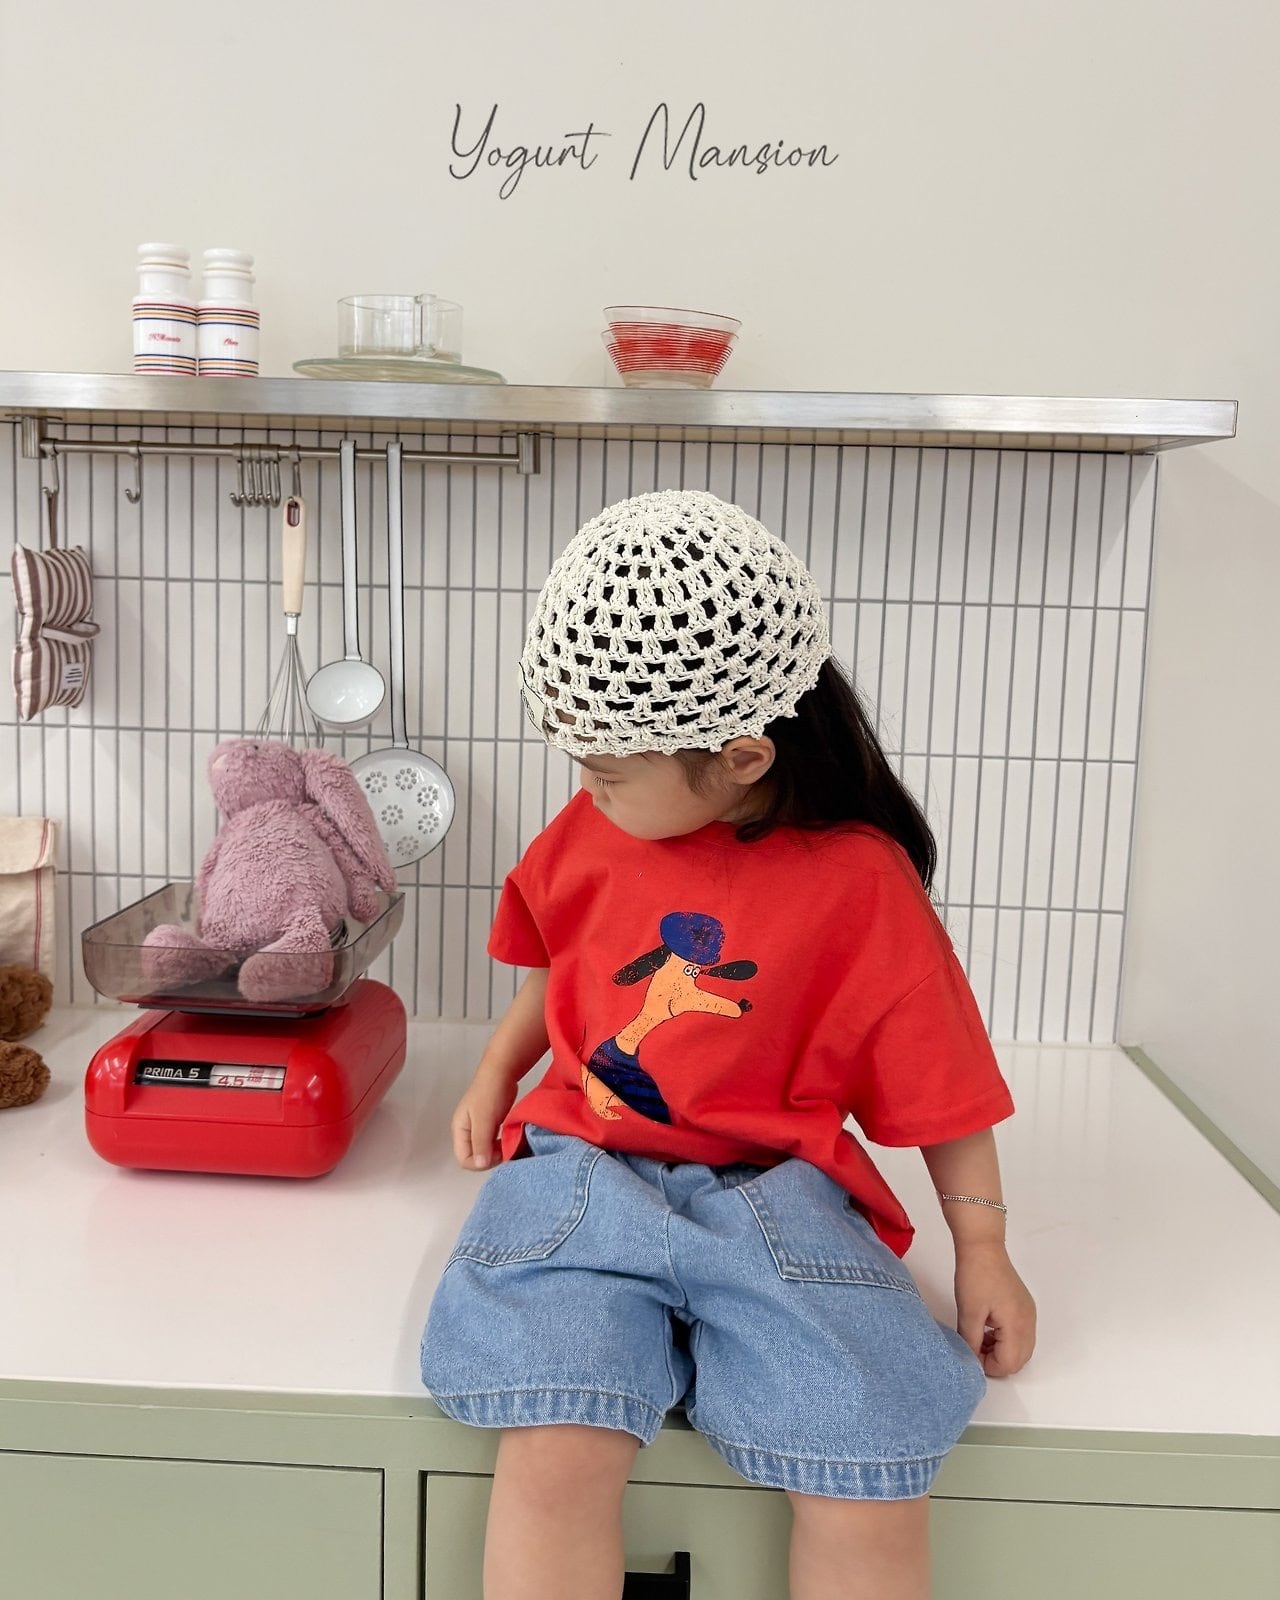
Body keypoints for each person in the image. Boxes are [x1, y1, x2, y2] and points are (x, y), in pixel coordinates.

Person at [421, 489, 1037, 1600]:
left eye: (610, 769)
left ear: (744, 756)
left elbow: (939, 1079)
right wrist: (495, 1070)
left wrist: (982, 1247)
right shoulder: (597, 825)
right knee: (554, 1439)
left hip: (776, 1196)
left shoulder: (858, 883)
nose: (586, 790)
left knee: (867, 1461)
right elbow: (563, 963)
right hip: (584, 1169)